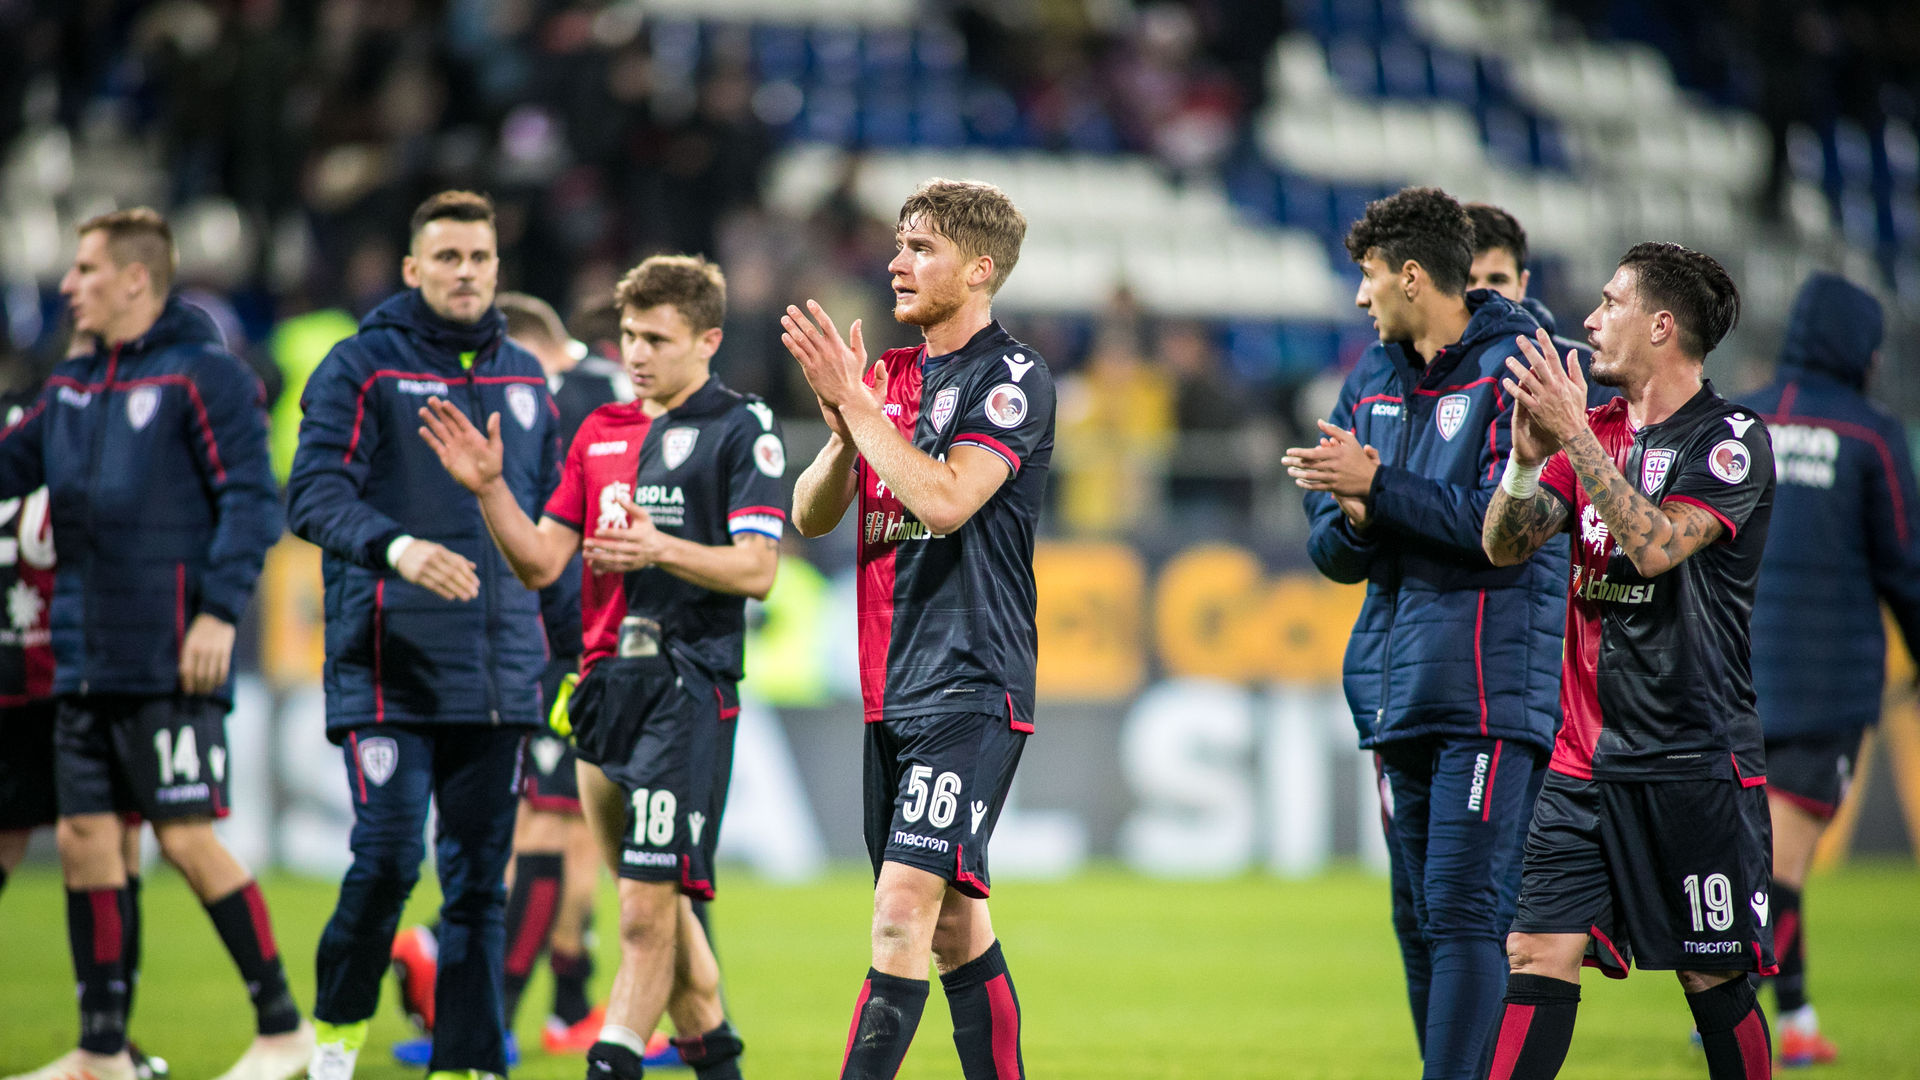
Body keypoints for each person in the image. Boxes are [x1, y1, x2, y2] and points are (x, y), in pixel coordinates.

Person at [416, 253, 777, 1080]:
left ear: (708, 341)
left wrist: (661, 548)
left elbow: (759, 569)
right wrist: (489, 489)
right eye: (630, 336)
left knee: (644, 919)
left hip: (685, 689)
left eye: (657, 339)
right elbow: (543, 561)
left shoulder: (739, 426)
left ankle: (608, 1062)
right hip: (600, 689)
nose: (637, 354)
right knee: (661, 916)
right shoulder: (600, 430)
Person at [0, 209, 306, 1080]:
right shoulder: (71, 386)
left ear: (136, 279)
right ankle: (102, 1050)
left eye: (87, 269)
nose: (69, 285)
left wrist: (218, 614)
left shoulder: (204, 376)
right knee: (87, 839)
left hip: (170, 652)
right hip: (80, 658)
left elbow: (251, 500)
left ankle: (282, 1026)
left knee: (184, 838)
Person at [1283, 187, 1563, 1080]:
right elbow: (1331, 550)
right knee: (1424, 918)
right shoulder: (1371, 377)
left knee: (1468, 913)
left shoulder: (1523, 365)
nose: (1359, 296)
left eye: (1368, 276)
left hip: (1487, 685)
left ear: (1411, 276)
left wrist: (1379, 488)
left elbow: (1499, 528)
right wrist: (1358, 512)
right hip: (1397, 687)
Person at [1481, 242, 1776, 1080]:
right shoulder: (1598, 432)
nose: (1590, 319)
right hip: (1582, 761)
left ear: (1661, 325)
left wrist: (1573, 437)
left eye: (1610, 302)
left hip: (1691, 760)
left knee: (1711, 975)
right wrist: (1525, 462)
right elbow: (1504, 545)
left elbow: (1653, 549)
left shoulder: (1730, 440)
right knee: (1535, 950)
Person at [287, 191, 561, 1080]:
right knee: (388, 859)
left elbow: (553, 532)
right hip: (389, 666)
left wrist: (569, 655)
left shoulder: (527, 380)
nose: (466, 272)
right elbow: (311, 495)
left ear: (497, 267)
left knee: (480, 885)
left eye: (479, 257)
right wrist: (399, 549)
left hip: (502, 673)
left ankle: (469, 1062)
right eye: (447, 257)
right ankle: (335, 1036)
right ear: (412, 268)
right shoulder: (361, 366)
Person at [785, 177, 1053, 1080]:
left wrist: (861, 413)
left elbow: (945, 501)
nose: (897, 262)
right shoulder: (888, 379)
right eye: (899, 244)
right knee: (951, 927)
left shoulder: (1013, 377)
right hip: (888, 685)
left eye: (922, 247)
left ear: (979, 269)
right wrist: (841, 429)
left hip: (971, 678)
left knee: (901, 912)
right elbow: (811, 515)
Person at [1742, 272, 1919, 1067]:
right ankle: (1769, 1017)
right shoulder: (1871, 435)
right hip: (1828, 685)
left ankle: (1764, 1012)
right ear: (1860, 351)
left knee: (1757, 863)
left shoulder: (1741, 419)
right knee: (1779, 865)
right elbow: (1906, 567)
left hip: (1731, 679)